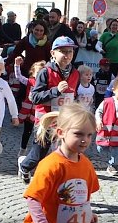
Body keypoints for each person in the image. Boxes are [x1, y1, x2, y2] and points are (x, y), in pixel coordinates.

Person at [19, 36, 80, 182]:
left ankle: (60, 180)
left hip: (65, 121)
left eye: (70, 51)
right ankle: (25, 166)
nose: (67, 55)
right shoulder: (45, 72)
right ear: (53, 53)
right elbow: (34, 97)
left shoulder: (75, 73)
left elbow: (74, 96)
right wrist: (55, 91)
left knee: (66, 150)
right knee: (39, 152)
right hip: (46, 120)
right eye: (63, 51)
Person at [13, 57, 48, 163]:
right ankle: (22, 150)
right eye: (38, 72)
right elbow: (18, 76)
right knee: (26, 131)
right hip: (27, 108)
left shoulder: (46, 85)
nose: (39, 75)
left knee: (36, 132)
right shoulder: (30, 81)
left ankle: (35, 153)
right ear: (32, 72)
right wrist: (17, 65)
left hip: (38, 111)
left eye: (42, 72)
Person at [95, 76, 118, 175]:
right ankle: (109, 159)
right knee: (100, 149)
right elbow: (99, 112)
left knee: (116, 152)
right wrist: (98, 121)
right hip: (105, 133)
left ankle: (112, 165)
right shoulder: (106, 102)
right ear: (114, 90)